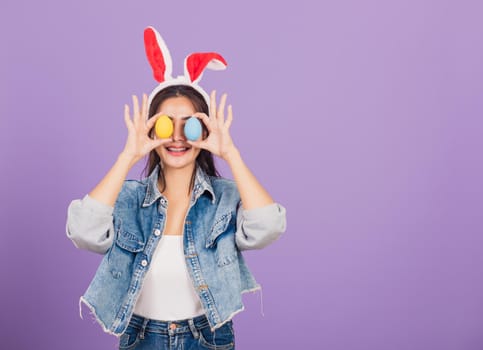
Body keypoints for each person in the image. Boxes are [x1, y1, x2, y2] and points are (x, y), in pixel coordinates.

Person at [66, 27, 286, 350]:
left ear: (205, 130)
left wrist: (231, 154)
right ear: (153, 128)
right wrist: (127, 156)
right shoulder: (128, 200)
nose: (178, 137)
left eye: (191, 124)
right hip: (142, 339)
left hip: (207, 340)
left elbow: (268, 228)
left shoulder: (224, 200)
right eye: (168, 123)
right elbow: (83, 231)